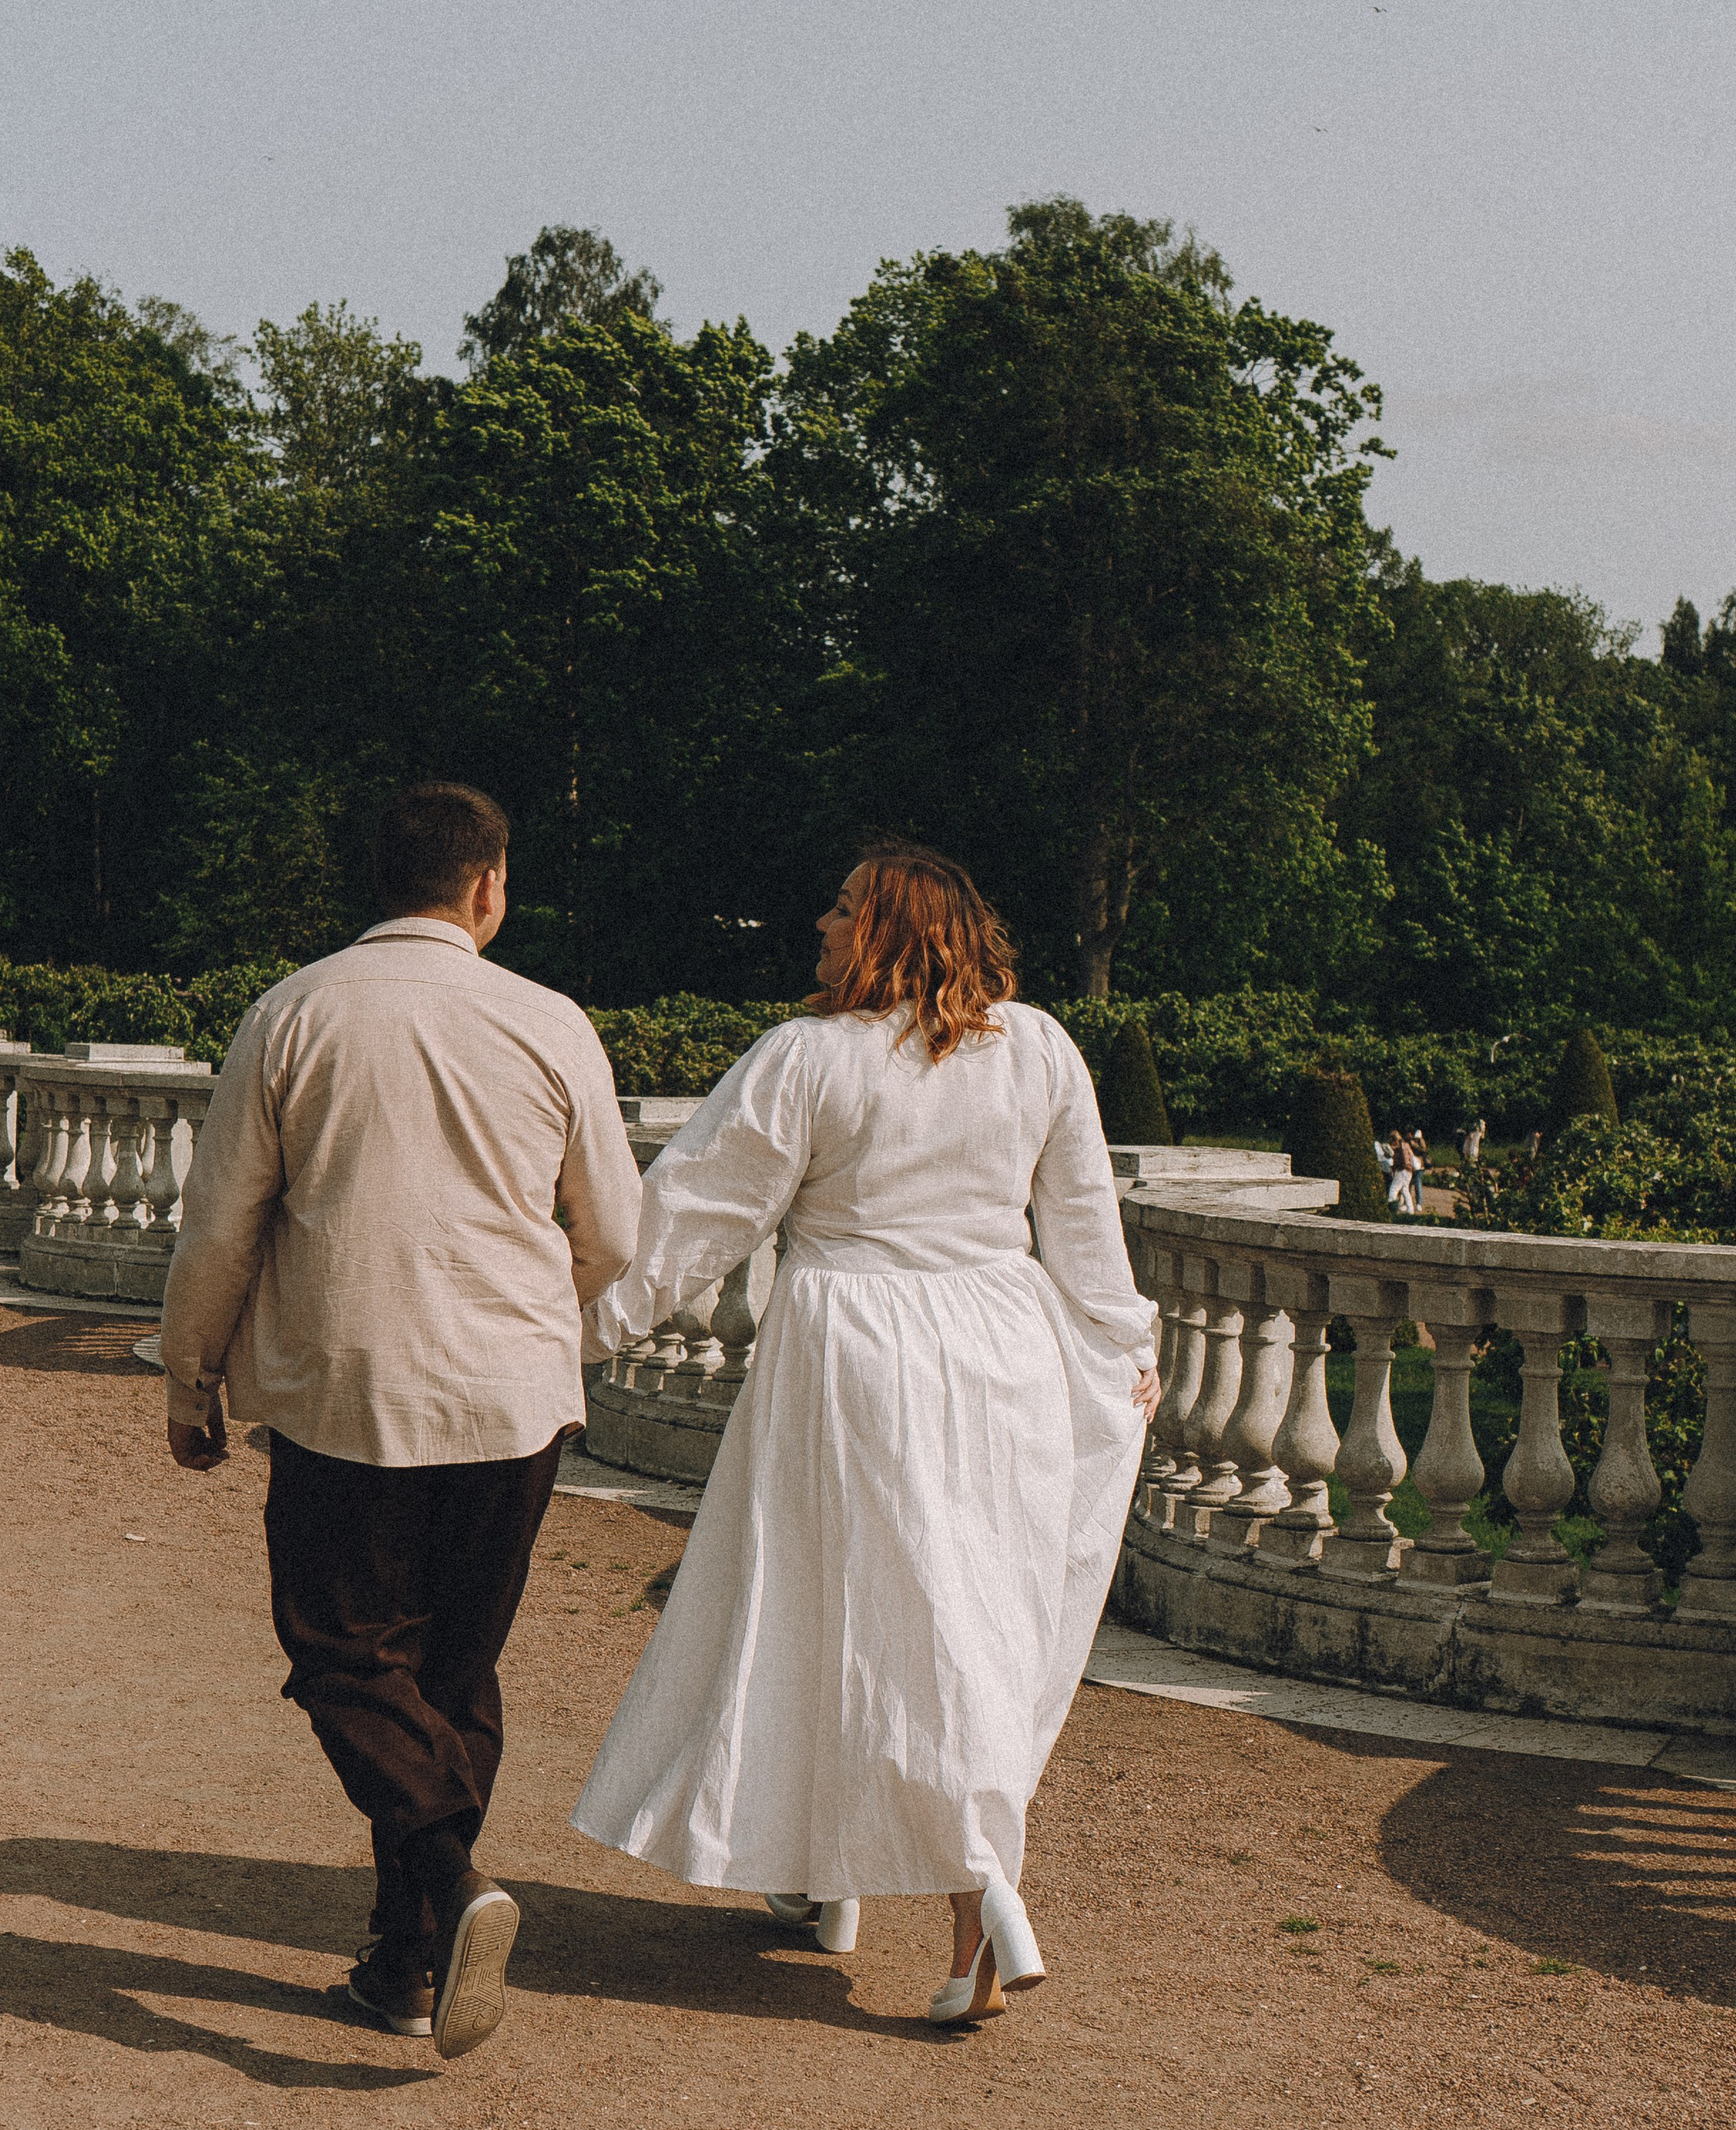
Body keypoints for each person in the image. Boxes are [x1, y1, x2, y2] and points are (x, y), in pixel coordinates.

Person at [571, 843, 1162, 2026]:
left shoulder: (808, 1059)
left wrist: (581, 1333)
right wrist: (1125, 1343)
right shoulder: (1039, 1046)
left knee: (850, 1613)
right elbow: (1086, 1228)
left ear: (892, 930)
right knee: (967, 1614)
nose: (824, 921)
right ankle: (844, 1879)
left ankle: (979, 1881)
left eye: (844, 908)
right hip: (1003, 1348)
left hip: (858, 1353)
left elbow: (695, 1211)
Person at [160, 783, 640, 2061]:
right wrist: (527, 1307)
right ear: (489, 887)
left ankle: (451, 1882)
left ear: (378, 882)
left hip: (347, 1383)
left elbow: (223, 1227)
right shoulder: (549, 1023)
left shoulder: (294, 1013)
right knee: (452, 1671)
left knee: (340, 1652)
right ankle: (410, 1960)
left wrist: (189, 1376)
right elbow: (618, 1233)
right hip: (512, 1393)